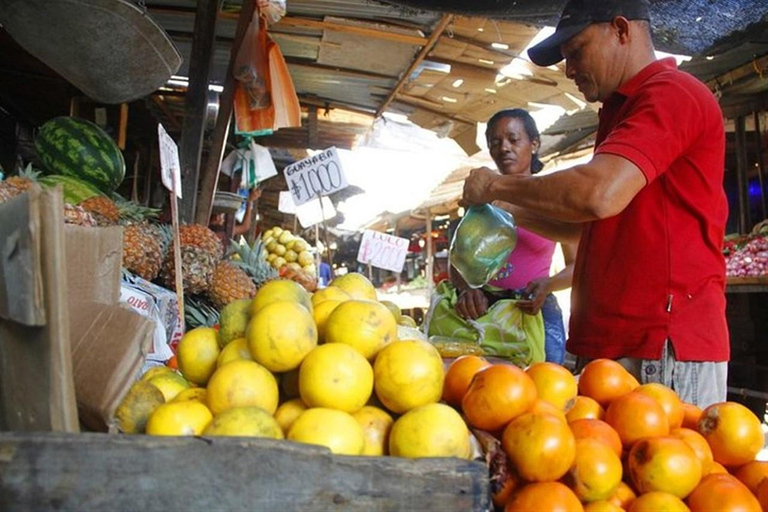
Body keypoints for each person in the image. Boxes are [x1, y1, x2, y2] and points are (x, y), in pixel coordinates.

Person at [461, 0, 729, 407]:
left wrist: (498, 187)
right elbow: (588, 226)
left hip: (659, 345)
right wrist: (508, 210)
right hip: (613, 343)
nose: (569, 70)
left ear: (621, 30)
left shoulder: (671, 94)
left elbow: (596, 194)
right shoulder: (619, 114)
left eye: (576, 51)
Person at [452, 109, 577, 364]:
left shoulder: (552, 198)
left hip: (534, 311)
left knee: (544, 392)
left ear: (534, 144)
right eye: (495, 143)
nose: (504, 148)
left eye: (513, 139)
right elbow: (458, 260)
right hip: (484, 312)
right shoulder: (479, 201)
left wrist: (549, 284)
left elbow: (579, 266)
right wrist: (467, 289)